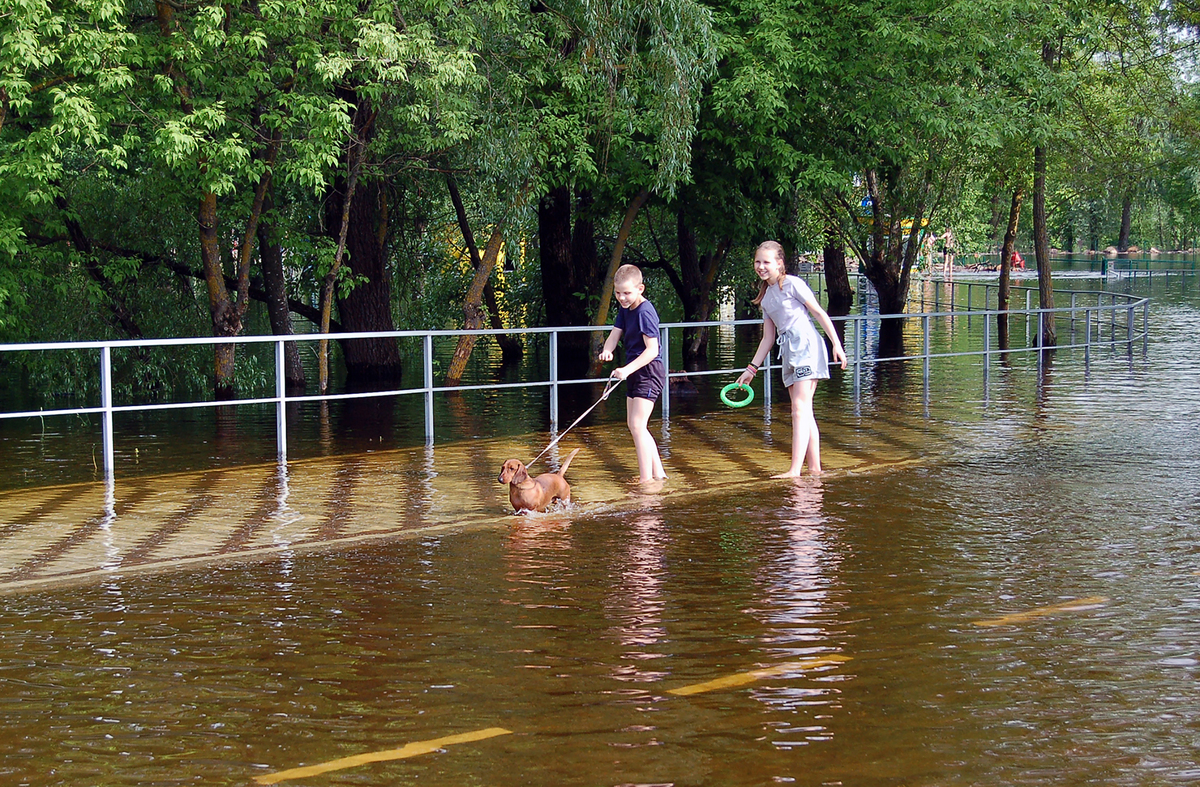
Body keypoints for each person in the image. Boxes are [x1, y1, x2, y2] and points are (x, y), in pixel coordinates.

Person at [736, 241, 847, 477]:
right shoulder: (766, 298)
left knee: (799, 408)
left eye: (766, 262)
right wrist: (751, 369)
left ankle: (795, 470)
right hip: (787, 352)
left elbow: (819, 313)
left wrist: (837, 344)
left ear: (779, 263)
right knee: (804, 411)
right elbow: (768, 338)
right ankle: (815, 469)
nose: (761, 266)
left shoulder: (793, 284)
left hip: (806, 346)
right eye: (757, 261)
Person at [599, 264, 668, 484]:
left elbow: (653, 350)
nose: (622, 298)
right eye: (618, 293)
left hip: (649, 371)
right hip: (634, 371)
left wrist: (627, 369)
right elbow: (614, 334)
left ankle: (646, 481)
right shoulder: (625, 309)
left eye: (627, 293)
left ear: (640, 289)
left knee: (638, 426)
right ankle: (659, 474)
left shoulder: (645, 312)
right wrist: (608, 350)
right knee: (636, 425)